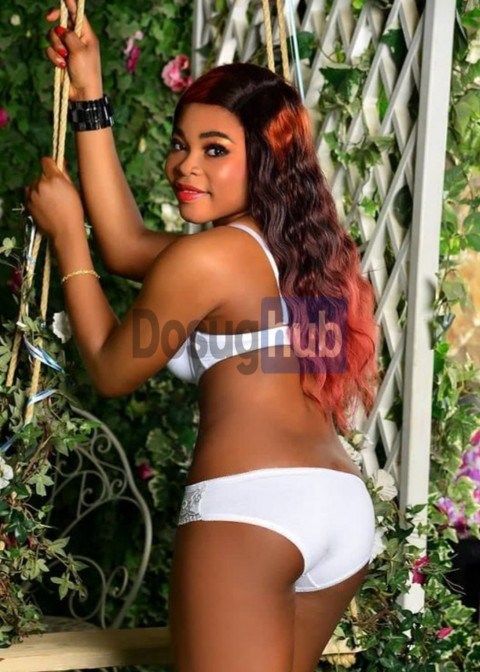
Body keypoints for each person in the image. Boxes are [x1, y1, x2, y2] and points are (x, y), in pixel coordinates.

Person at [25, 1, 378, 670]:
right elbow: (126, 246)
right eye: (181, 144)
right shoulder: (310, 254)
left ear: (266, 159)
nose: (186, 165)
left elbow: (110, 369)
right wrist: (89, 92)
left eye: (215, 150)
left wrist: (69, 234)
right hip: (339, 508)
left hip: (254, 511)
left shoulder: (210, 260)